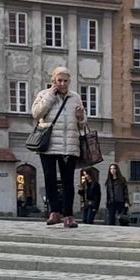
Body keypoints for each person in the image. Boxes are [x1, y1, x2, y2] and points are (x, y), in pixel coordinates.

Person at [31, 66, 85, 228]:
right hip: (48, 144)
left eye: (65, 81)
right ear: (53, 81)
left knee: (69, 181)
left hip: (70, 144)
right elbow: (36, 114)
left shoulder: (75, 97)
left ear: (69, 81)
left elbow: (82, 125)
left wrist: (81, 117)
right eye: (59, 80)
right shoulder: (43, 94)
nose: (62, 84)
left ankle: (68, 215)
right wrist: (50, 96)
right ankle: (54, 212)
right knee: (50, 179)